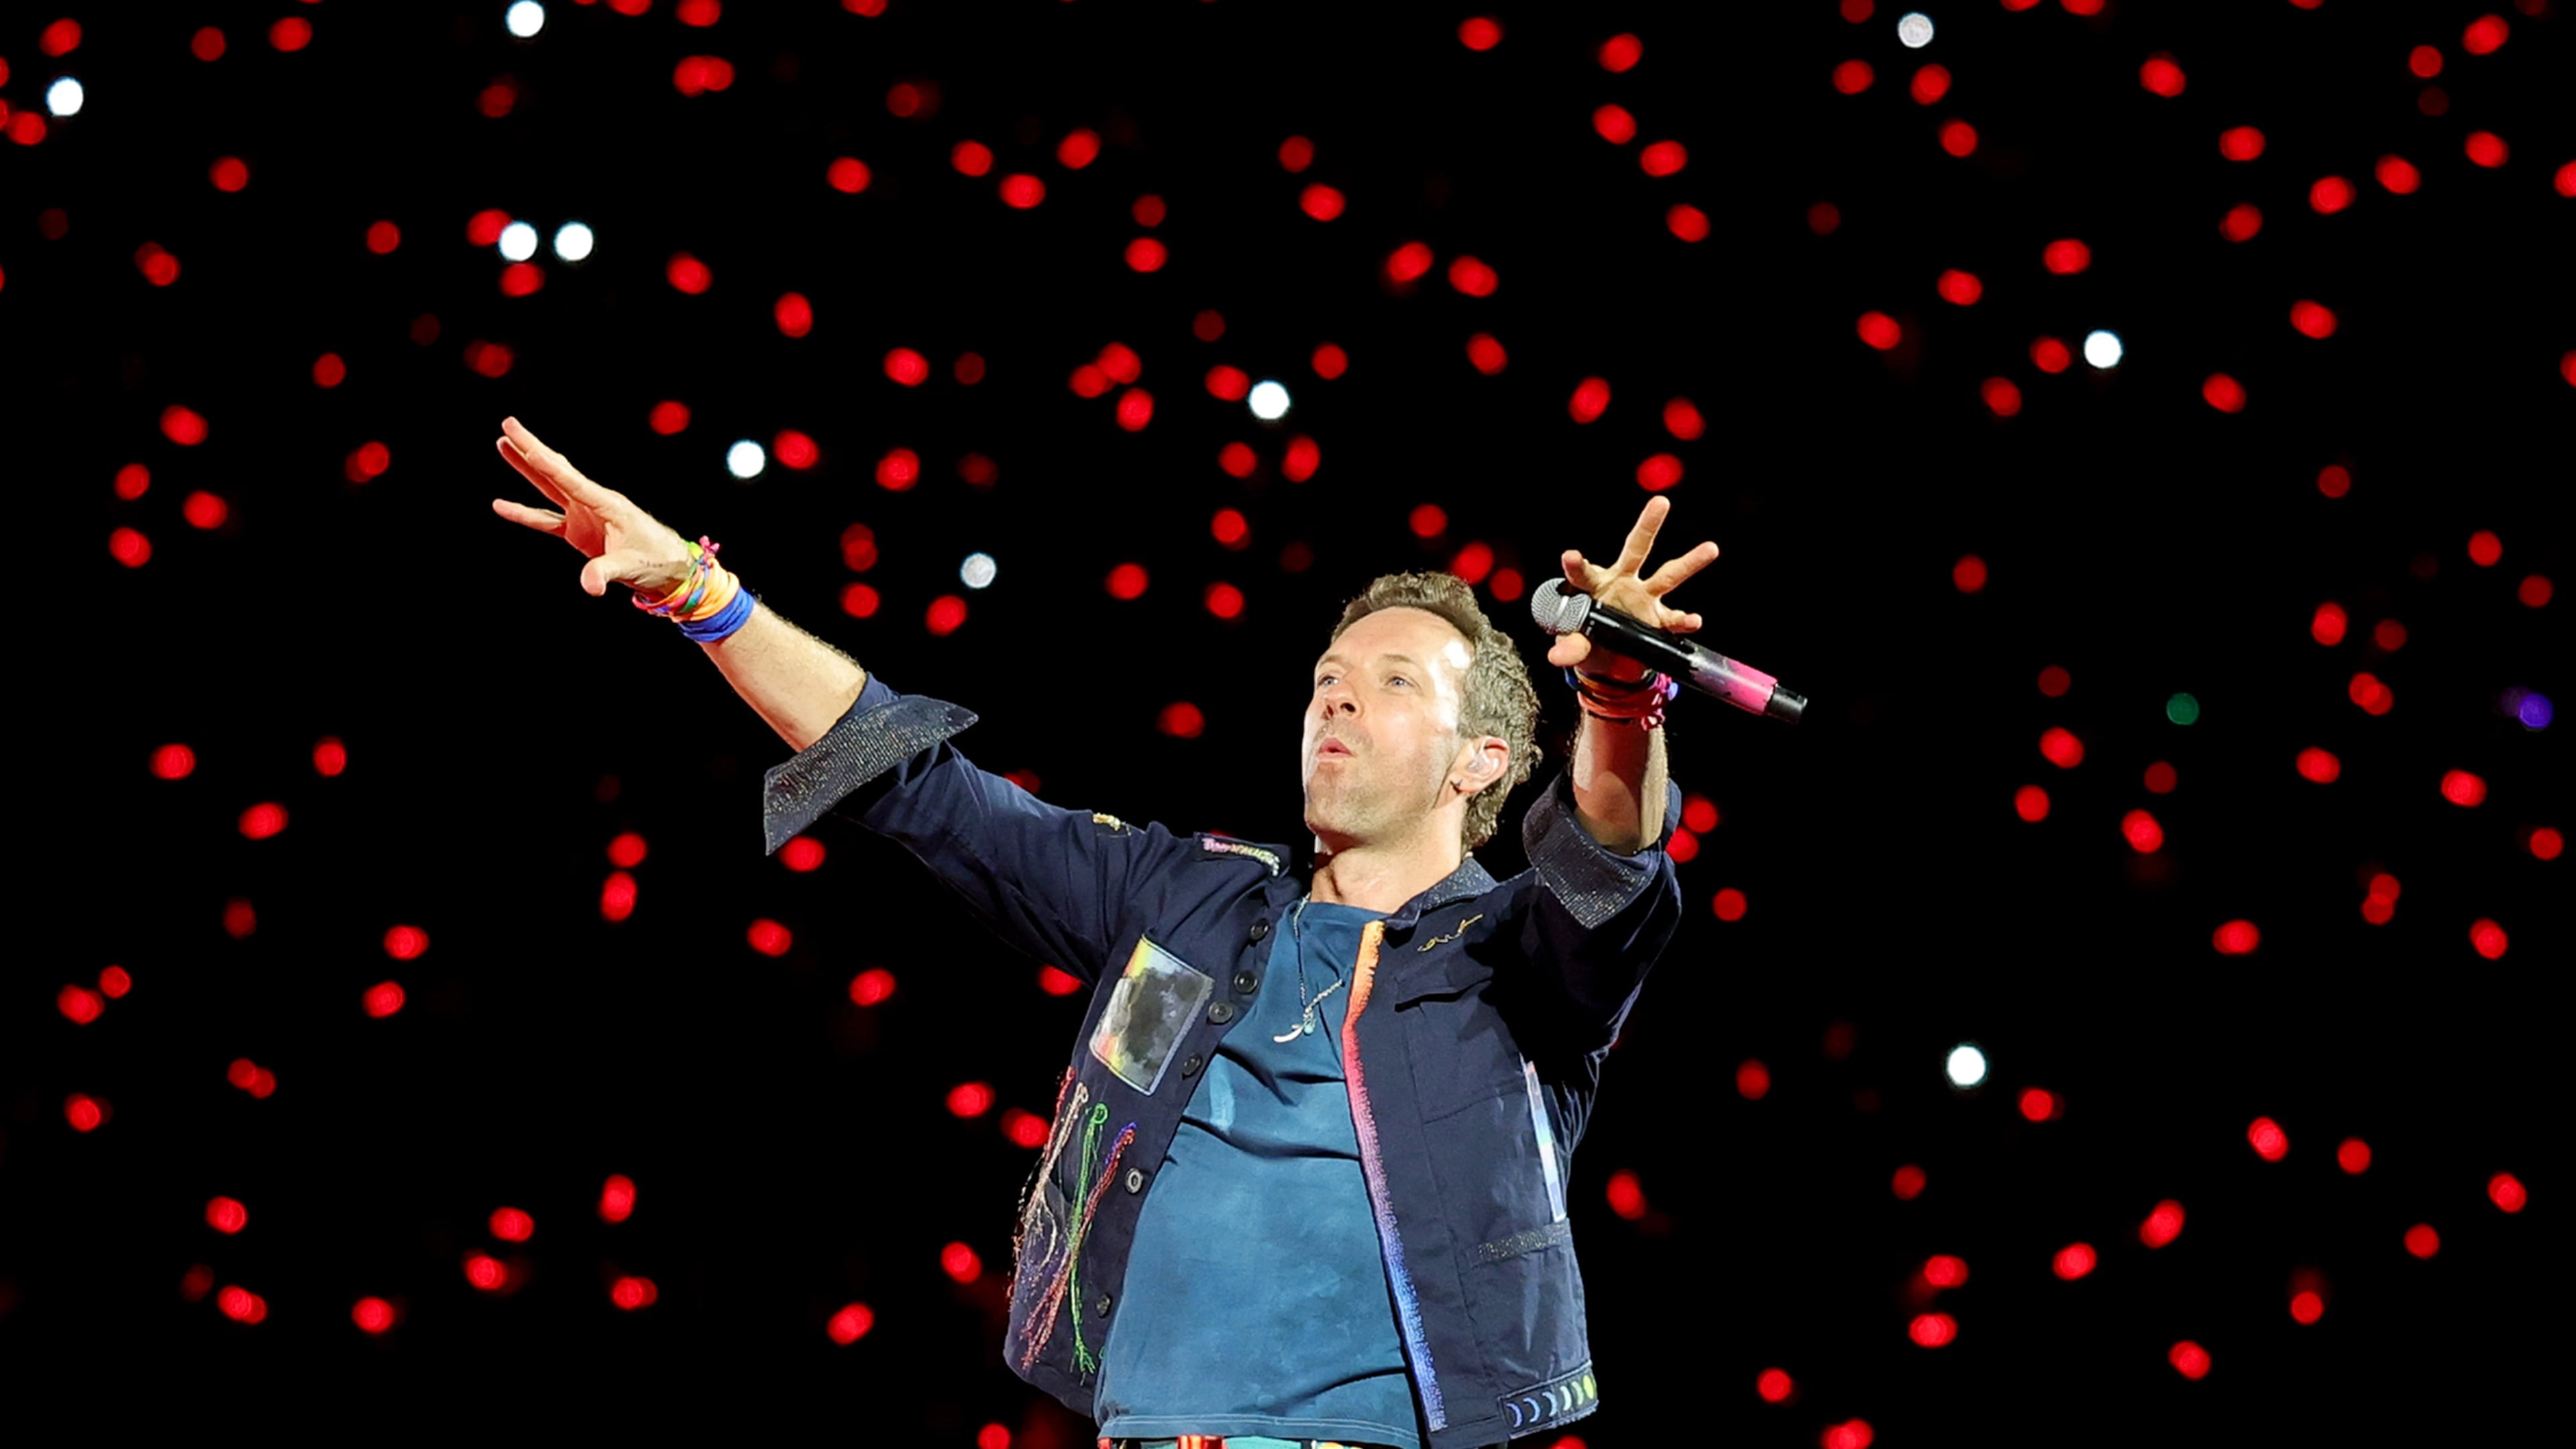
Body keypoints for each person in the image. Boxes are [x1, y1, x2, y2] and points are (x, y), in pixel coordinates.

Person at [492, 417, 1718, 1449]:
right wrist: (699, 593)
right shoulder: (1185, 899)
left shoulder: (1516, 953)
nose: (1338, 694)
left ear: (1482, 761)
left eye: (1395, 680)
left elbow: (1609, 857)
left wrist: (1618, 695)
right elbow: (918, 782)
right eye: (1327, 677)